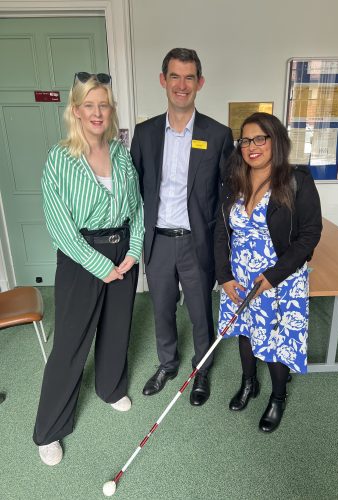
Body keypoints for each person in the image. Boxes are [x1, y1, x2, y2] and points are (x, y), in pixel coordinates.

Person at [33, 72, 144, 465]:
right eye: (89, 105)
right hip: (82, 258)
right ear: (76, 111)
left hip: (123, 255)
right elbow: (59, 224)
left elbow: (137, 206)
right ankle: (49, 430)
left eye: (104, 104)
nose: (97, 112)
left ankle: (111, 389)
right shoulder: (60, 159)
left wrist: (132, 251)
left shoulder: (120, 152)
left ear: (110, 110)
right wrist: (100, 264)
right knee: (70, 344)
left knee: (117, 330)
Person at [131, 48, 233, 406]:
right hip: (157, 241)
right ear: (163, 80)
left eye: (189, 77)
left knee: (200, 310)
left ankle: (201, 369)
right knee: (161, 307)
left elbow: (228, 197)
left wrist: (225, 249)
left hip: (196, 242)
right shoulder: (144, 135)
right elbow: (134, 191)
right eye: (174, 76)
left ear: (200, 83)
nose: (182, 85)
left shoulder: (218, 135)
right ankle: (167, 363)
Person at [214, 112, 322, 432]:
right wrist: (225, 276)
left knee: (275, 341)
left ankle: (277, 396)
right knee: (246, 332)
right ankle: (249, 383)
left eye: (260, 138)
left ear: (276, 141)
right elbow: (221, 232)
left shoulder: (296, 181)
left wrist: (273, 277)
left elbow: (309, 236)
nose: (251, 146)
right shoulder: (233, 182)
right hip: (240, 278)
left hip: (279, 279)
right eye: (245, 140)